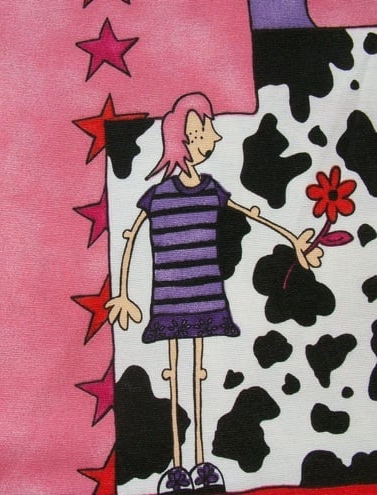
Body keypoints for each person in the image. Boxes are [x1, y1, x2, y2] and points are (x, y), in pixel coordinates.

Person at [105, 92, 321, 495]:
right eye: (205, 130)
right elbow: (132, 235)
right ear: (184, 138)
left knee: (197, 377)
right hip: (171, 300)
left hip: (204, 295)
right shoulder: (159, 195)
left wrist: (294, 240)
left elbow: (251, 214)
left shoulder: (211, 190)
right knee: (176, 378)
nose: (214, 137)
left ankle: (201, 461)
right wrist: (122, 293)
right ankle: (177, 466)